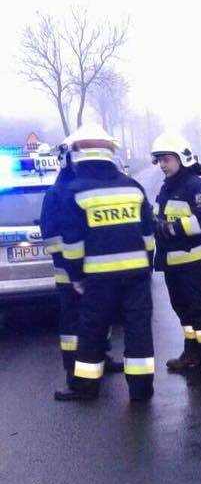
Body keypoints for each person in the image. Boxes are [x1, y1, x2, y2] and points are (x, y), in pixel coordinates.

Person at [55, 124, 155, 402]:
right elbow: (148, 236)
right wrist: (145, 268)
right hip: (136, 275)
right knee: (139, 330)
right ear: (109, 154)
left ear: (79, 155)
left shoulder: (74, 191)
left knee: (92, 330)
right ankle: (141, 390)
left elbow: (72, 246)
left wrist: (76, 277)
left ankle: (85, 388)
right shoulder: (132, 187)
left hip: (97, 279)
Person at [40, 144, 124, 388]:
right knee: (73, 324)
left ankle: (101, 358)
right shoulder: (57, 194)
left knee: (100, 317)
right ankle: (73, 370)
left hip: (95, 271)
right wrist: (70, 264)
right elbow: (52, 236)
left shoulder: (86, 188)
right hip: (69, 274)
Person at [151, 133, 201, 379]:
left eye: (167, 159)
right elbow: (159, 216)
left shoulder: (196, 187)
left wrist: (171, 228)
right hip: (172, 263)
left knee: (200, 308)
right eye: (159, 160)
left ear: (181, 158)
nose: (162, 164)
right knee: (182, 309)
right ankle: (192, 353)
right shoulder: (167, 187)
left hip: (193, 262)